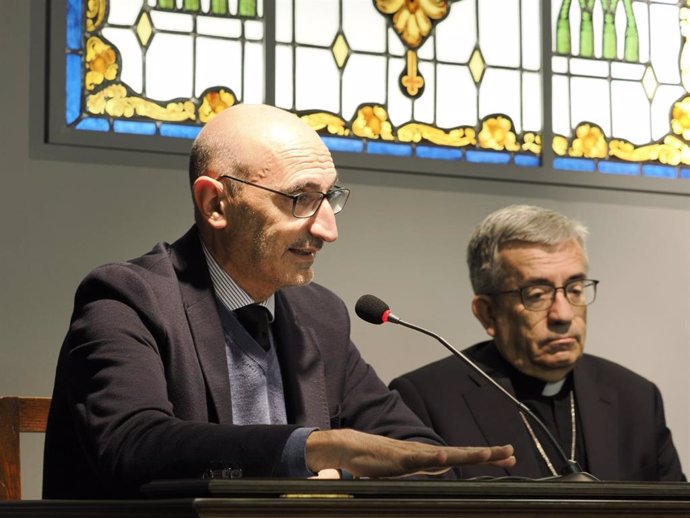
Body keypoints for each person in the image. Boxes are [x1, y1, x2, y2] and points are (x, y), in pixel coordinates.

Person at [42, 104, 514, 498]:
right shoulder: (127, 298)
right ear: (216, 204)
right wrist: (308, 451)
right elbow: (132, 445)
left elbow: (416, 451)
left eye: (329, 197)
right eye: (300, 198)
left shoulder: (320, 316)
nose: (329, 229)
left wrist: (340, 471)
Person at [389, 205, 685, 481]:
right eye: (536, 295)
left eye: (575, 289)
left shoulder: (636, 398)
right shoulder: (426, 401)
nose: (563, 314)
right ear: (487, 313)